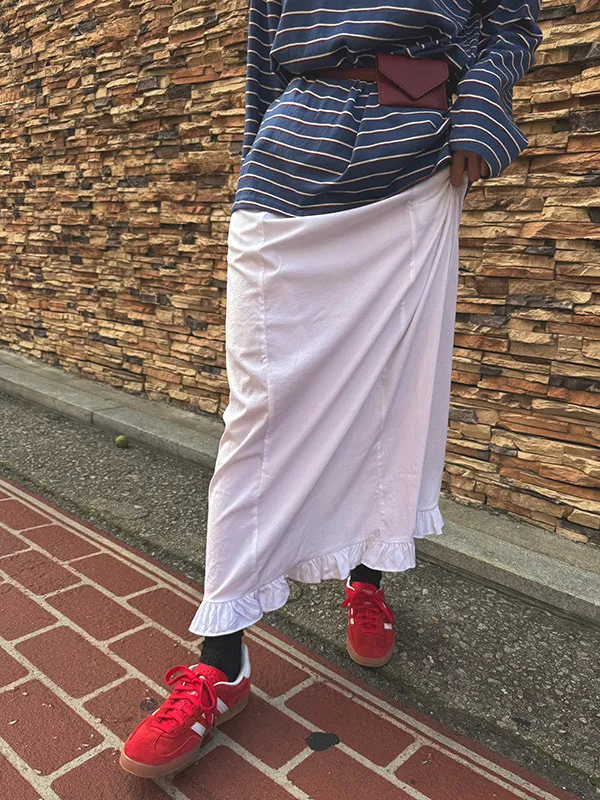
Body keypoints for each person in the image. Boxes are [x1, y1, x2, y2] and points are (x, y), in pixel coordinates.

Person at [120, 0, 542, 778]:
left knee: (392, 390)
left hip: (413, 165)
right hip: (287, 165)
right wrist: (254, 157)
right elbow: (263, 50)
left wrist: (480, 108)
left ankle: (366, 575)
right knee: (258, 413)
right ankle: (222, 658)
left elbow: (510, 22)